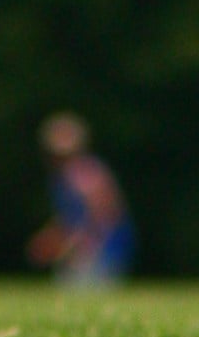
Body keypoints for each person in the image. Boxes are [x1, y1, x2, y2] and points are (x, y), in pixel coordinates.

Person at [28, 112, 135, 287]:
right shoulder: (61, 178)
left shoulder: (87, 175)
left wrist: (75, 244)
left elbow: (103, 216)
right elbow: (70, 219)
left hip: (103, 248)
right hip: (87, 246)